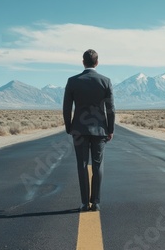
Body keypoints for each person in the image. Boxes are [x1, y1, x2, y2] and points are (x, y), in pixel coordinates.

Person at [63, 49, 115, 212]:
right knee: (98, 165)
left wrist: (69, 127)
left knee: (82, 165)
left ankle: (85, 202)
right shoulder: (105, 81)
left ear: (83, 62)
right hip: (100, 130)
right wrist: (110, 129)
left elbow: (66, 107)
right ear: (97, 62)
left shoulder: (73, 81)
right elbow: (110, 109)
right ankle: (96, 202)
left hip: (79, 129)